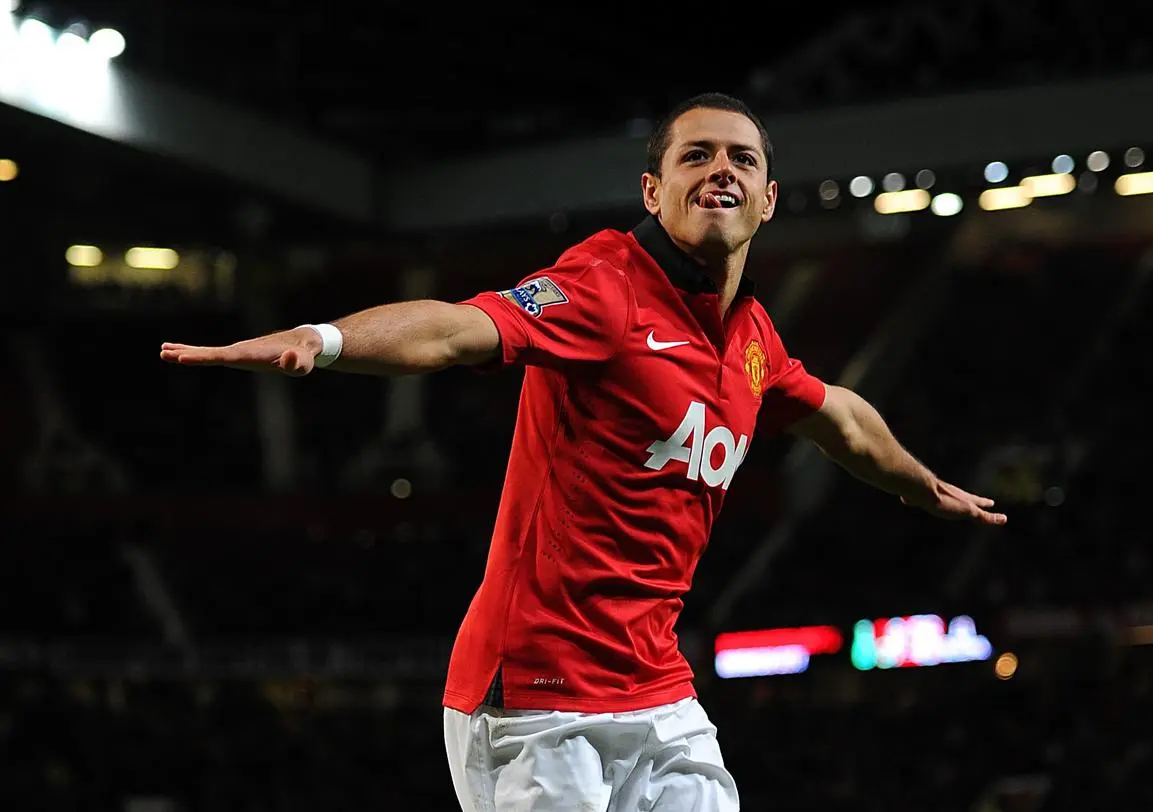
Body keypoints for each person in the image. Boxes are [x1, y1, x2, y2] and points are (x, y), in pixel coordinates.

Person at [160, 92, 1006, 812]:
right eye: (696, 155)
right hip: (535, 702)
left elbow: (841, 419)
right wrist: (323, 337)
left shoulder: (750, 338)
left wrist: (919, 486)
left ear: (769, 197)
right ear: (654, 187)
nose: (722, 169)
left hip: (659, 691)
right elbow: (459, 329)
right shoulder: (604, 287)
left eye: (742, 159)